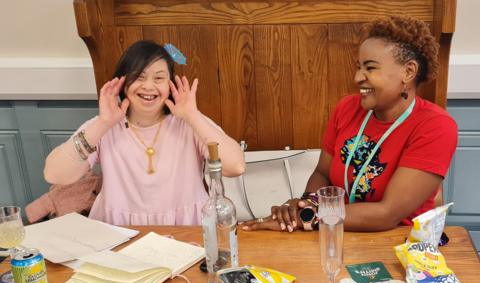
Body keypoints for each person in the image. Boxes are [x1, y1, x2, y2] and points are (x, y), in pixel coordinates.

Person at [241, 15, 457, 232]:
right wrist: (305, 206)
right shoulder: (347, 108)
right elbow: (322, 173)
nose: (357, 78)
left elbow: (387, 214)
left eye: (370, 68)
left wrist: (307, 218)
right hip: (334, 233)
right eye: (359, 67)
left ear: (408, 72)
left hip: (397, 247)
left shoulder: (436, 126)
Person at [44, 40, 245, 225]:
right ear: (123, 82)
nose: (149, 86)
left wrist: (193, 116)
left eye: (159, 78)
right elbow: (55, 174)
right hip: (118, 231)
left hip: (187, 229)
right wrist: (103, 123)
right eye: (139, 77)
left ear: (170, 85)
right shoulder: (105, 125)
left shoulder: (189, 124)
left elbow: (235, 166)